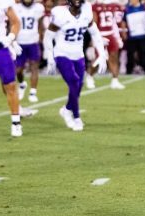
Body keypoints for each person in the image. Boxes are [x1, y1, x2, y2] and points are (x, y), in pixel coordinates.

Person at [43, 0, 107, 131]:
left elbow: (95, 33)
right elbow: (48, 37)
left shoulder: (87, 12)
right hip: (62, 53)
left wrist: (102, 54)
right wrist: (50, 57)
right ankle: (76, 117)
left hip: (78, 54)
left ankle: (67, 109)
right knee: (74, 82)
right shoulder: (60, 14)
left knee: (79, 84)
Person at [0, 0, 23, 137]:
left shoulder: (2, 1)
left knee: (10, 85)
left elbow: (16, 22)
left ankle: (16, 123)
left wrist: (10, 39)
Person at [85, 0, 126, 90]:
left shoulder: (112, 5)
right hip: (100, 35)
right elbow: (93, 23)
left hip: (111, 34)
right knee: (98, 59)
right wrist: (94, 38)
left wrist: (117, 37)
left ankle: (115, 80)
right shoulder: (95, 6)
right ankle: (89, 76)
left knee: (114, 57)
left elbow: (114, 23)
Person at [14, 0, 45, 103]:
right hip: (20, 42)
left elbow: (40, 24)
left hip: (33, 42)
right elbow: (12, 24)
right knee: (18, 70)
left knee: (34, 67)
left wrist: (41, 38)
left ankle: (33, 92)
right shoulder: (15, 7)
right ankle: (22, 84)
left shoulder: (39, 7)